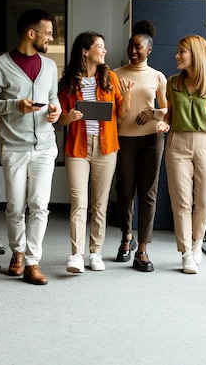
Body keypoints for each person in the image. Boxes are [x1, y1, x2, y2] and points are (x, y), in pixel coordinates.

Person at [0, 9, 61, 285]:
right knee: (15, 206)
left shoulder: (50, 67)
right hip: (14, 147)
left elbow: (54, 99)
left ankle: (32, 262)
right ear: (31, 33)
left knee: (39, 204)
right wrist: (15, 105)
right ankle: (17, 252)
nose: (51, 37)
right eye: (48, 33)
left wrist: (55, 112)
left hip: (45, 147)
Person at [58, 31, 130, 273]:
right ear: (85, 51)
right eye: (100, 46)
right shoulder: (68, 82)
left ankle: (95, 252)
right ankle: (76, 254)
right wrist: (69, 116)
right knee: (79, 202)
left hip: (106, 147)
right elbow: (60, 119)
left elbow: (121, 114)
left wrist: (127, 99)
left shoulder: (110, 77)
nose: (104, 50)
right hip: (77, 147)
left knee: (100, 204)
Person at [164, 35, 206, 274]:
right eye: (178, 51)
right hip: (178, 142)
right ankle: (186, 253)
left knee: (204, 201)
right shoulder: (172, 83)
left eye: (182, 52)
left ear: (196, 55)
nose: (177, 56)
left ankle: (197, 240)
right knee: (181, 201)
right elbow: (169, 116)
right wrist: (160, 120)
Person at [113, 20, 169, 272]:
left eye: (138, 47)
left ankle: (143, 249)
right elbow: (109, 109)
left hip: (151, 140)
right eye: (130, 46)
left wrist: (154, 113)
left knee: (148, 193)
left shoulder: (157, 76)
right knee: (124, 191)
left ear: (149, 50)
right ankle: (126, 237)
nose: (133, 51)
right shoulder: (114, 74)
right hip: (122, 138)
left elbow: (168, 111)